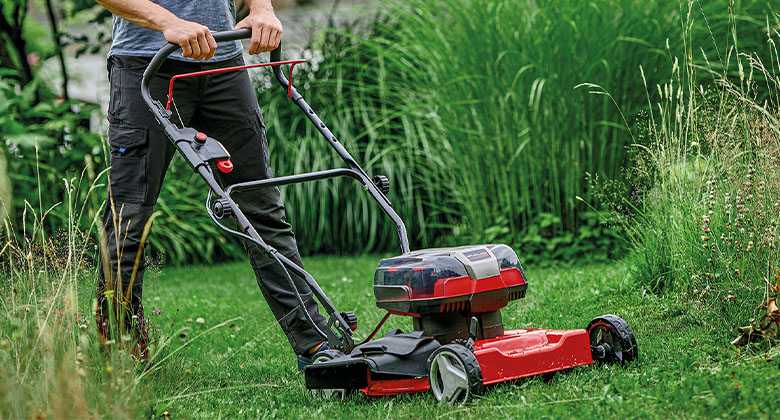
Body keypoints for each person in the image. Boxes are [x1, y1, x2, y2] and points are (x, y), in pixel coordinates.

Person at [94, 0, 329, 369]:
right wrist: (168, 22)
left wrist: (262, 8)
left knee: (261, 209)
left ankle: (317, 346)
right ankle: (120, 360)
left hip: (224, 60)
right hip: (146, 64)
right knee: (129, 219)